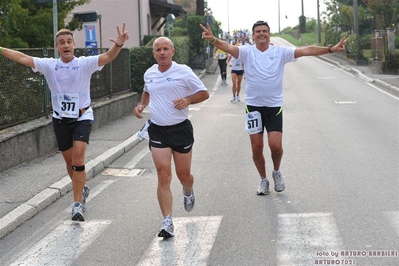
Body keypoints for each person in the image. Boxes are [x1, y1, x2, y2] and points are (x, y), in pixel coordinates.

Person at [201, 21, 348, 195]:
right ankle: (263, 180)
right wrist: (212, 40)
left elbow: (307, 50)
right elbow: (225, 46)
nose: (261, 34)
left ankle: (276, 172)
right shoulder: (247, 52)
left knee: (275, 146)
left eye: (264, 31)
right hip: (253, 108)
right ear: (253, 35)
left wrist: (330, 49)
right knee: (256, 148)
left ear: (269, 34)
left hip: (274, 107)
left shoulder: (280, 52)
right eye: (258, 31)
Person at [0, 23, 129, 221]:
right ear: (57, 47)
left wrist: (118, 45)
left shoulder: (84, 63)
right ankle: (82, 188)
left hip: (82, 116)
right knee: (70, 164)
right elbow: (22, 58)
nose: (66, 45)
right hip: (61, 120)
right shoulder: (49, 65)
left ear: (74, 45)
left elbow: (107, 57)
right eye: (62, 43)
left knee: (78, 160)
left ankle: (77, 205)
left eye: (69, 42)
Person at [133, 37, 209, 238]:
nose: (162, 53)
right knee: (163, 174)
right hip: (158, 130)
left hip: (180, 130)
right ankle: (167, 222)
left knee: (184, 175)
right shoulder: (149, 73)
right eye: (158, 49)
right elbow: (147, 91)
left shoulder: (183, 71)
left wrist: (188, 99)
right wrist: (141, 105)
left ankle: (188, 189)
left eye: (166, 49)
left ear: (173, 51)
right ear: (154, 53)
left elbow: (204, 93)